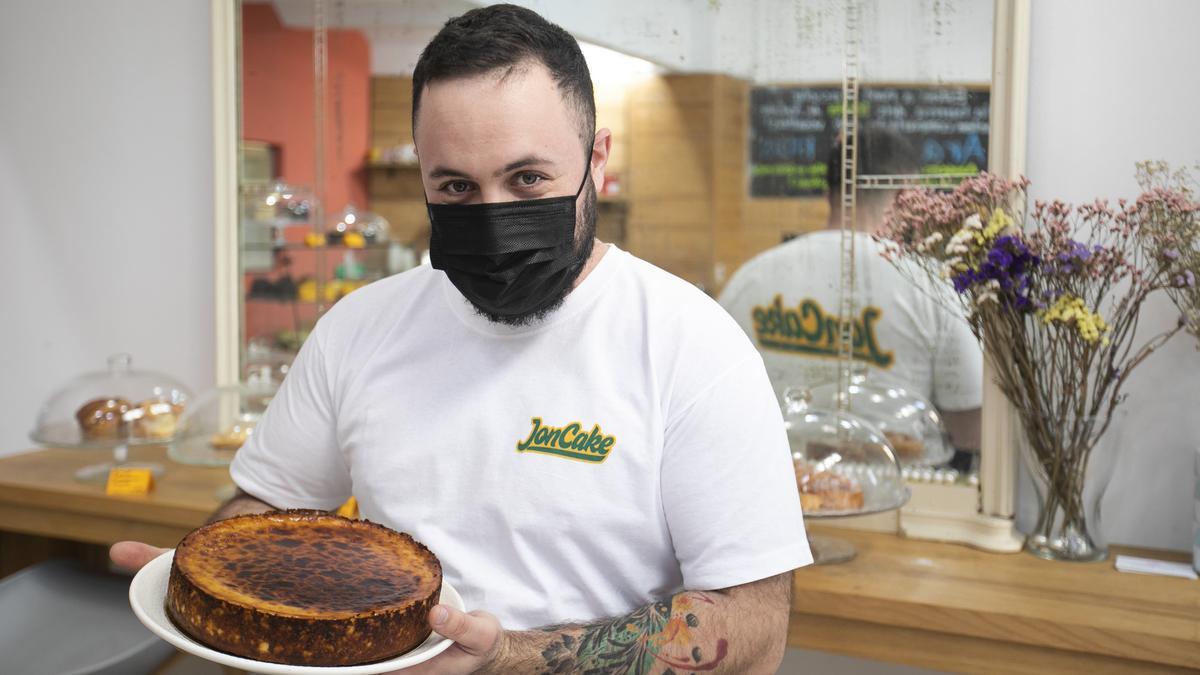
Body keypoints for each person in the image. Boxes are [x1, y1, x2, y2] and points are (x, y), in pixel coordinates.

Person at [111, 5, 810, 673]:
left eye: (528, 178)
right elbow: (266, 505)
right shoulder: (360, 327)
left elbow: (754, 628)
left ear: (596, 161)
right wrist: (210, 574)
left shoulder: (693, 346)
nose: (494, 217)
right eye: (455, 187)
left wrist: (507, 658)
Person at [718, 129, 984, 457]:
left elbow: (714, 406)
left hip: (773, 489)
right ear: (906, 193)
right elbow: (970, 429)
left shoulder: (750, 279)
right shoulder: (931, 286)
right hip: (906, 497)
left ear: (829, 192)